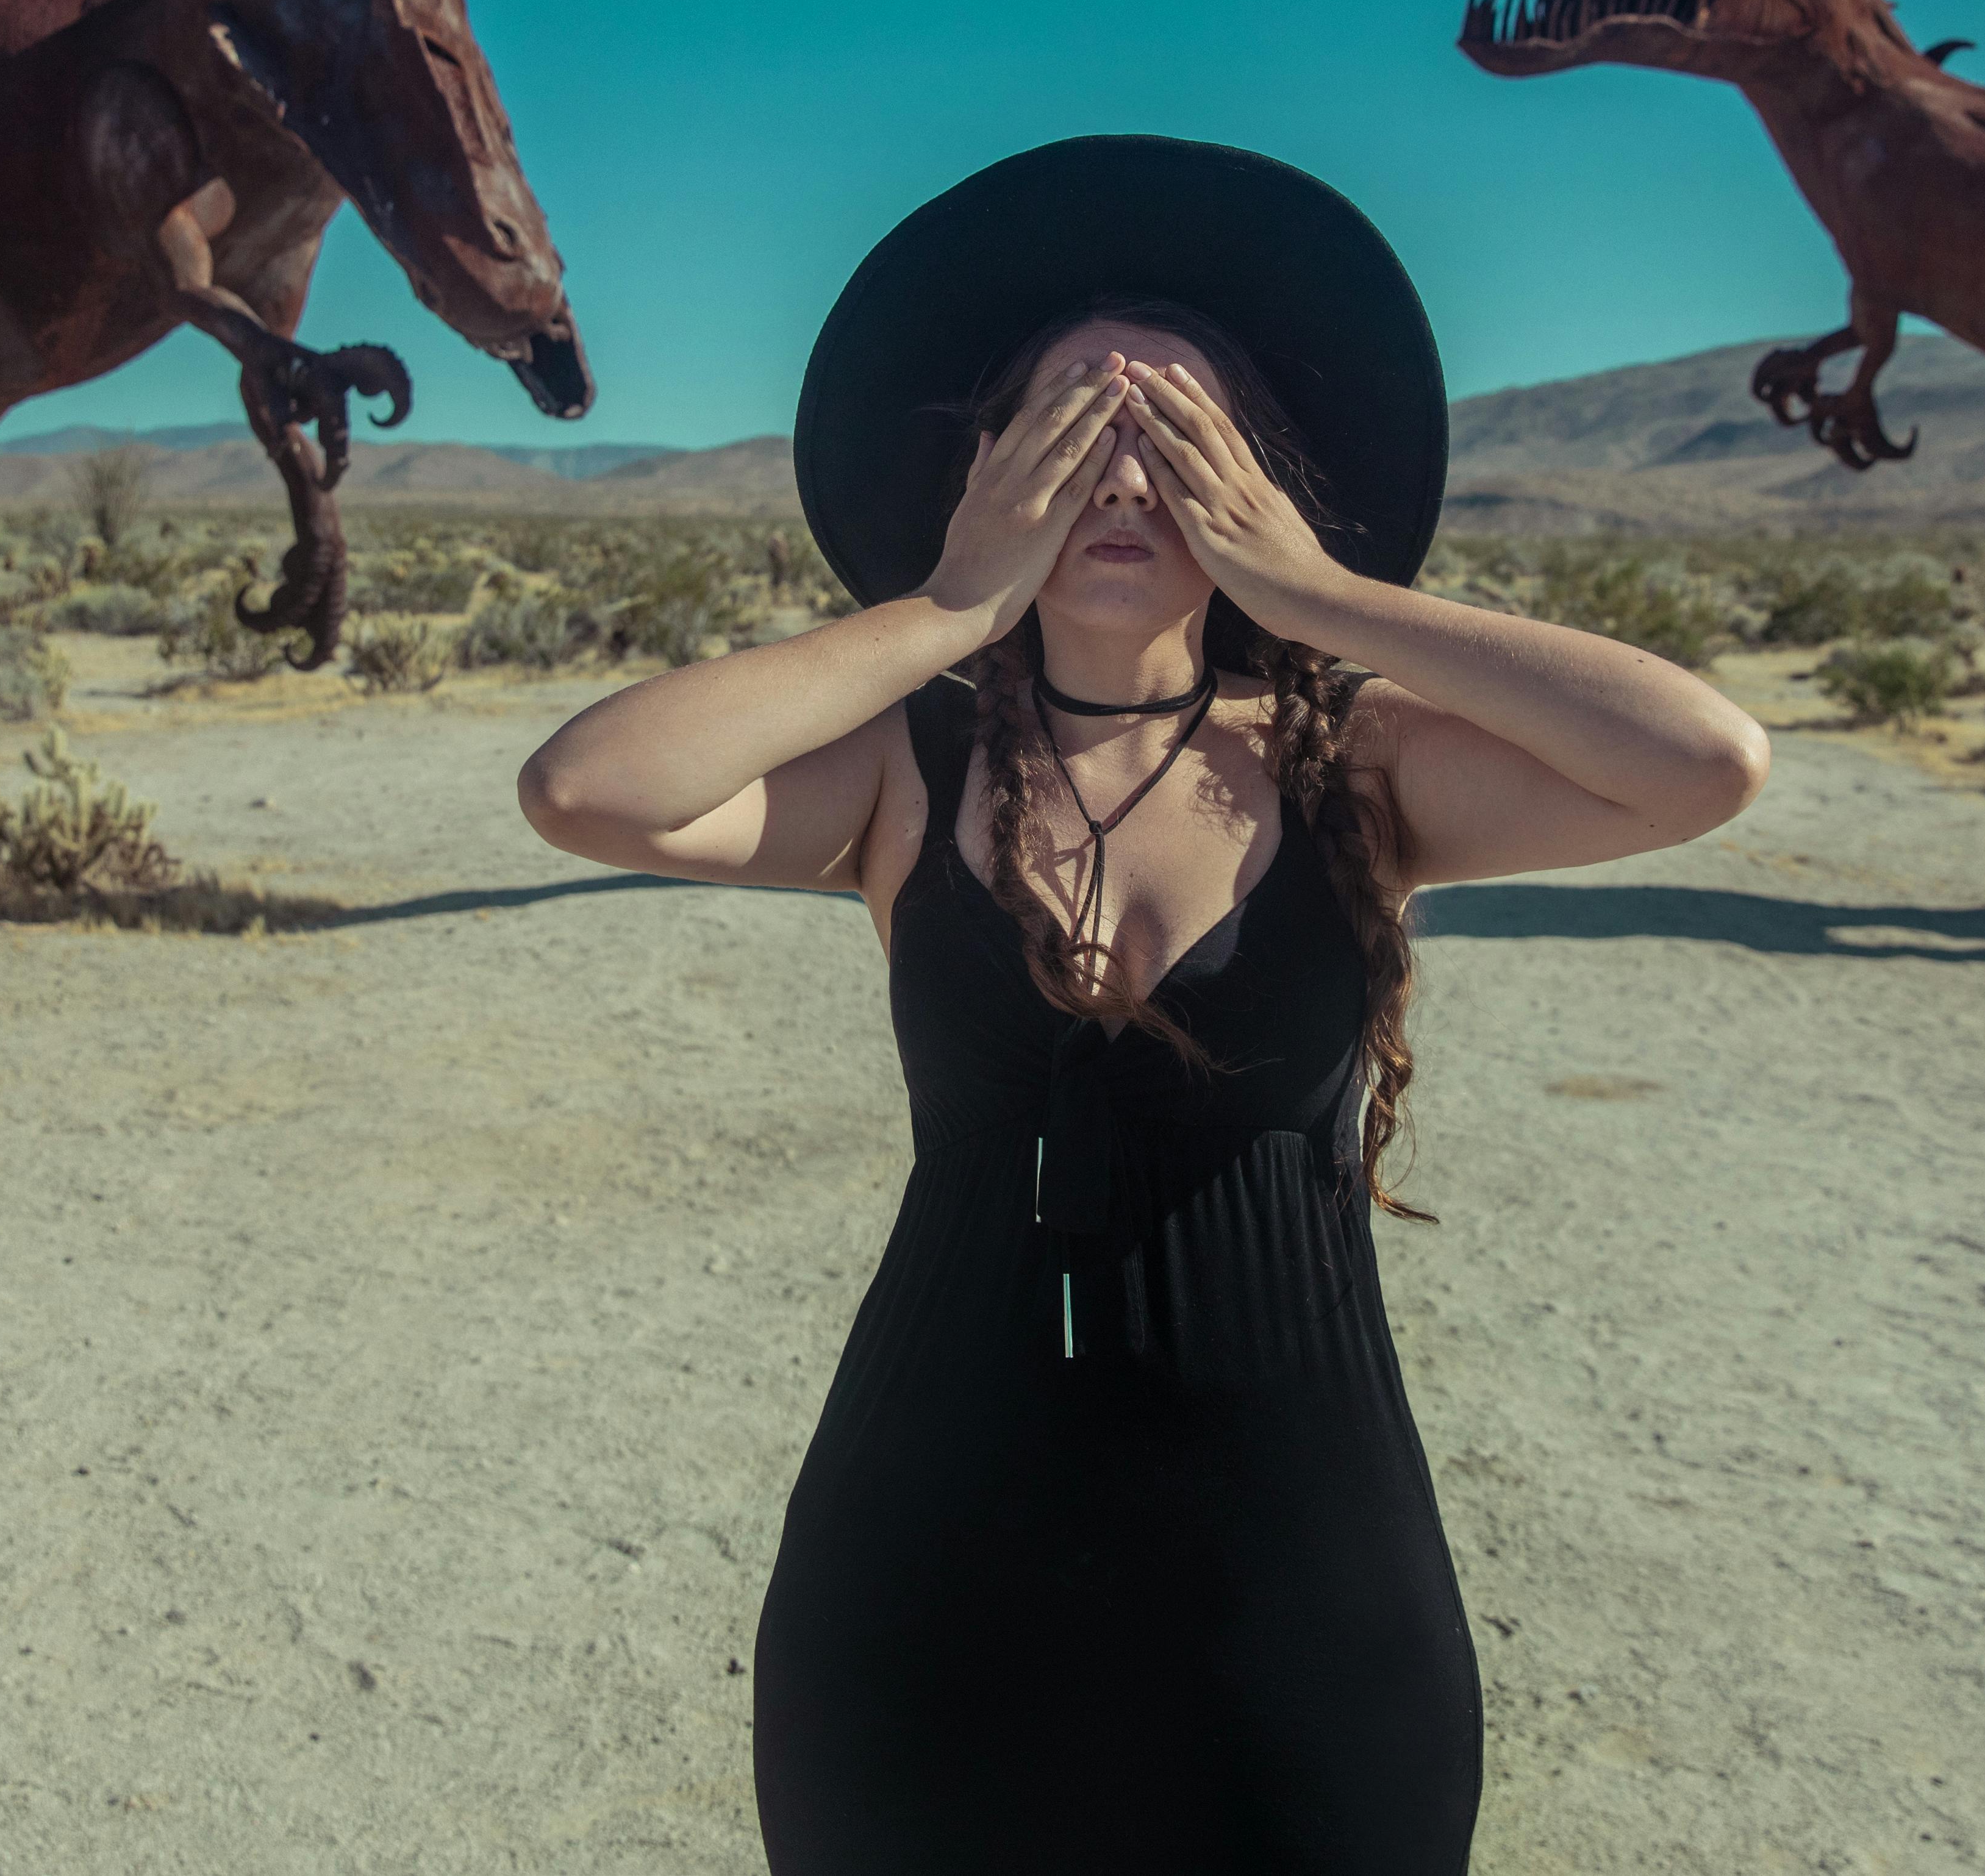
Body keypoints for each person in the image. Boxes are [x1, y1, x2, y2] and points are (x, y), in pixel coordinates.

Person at [517, 136, 1770, 1874]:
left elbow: (1709, 760)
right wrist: (955, 601)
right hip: (925, 1571)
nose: (1122, 481)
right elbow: (588, 787)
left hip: (1306, 1586)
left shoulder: (1359, 764)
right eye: (1071, 436)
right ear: (988, 470)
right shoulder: (907, 768)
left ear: (1253, 478)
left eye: (1177, 440)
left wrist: (1316, 591)